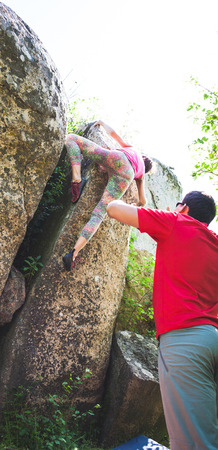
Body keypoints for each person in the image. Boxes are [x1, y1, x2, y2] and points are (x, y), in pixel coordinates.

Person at [106, 190, 218, 450]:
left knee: (194, 442)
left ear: (185, 208)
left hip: (185, 344)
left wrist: (172, 214)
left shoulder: (176, 221)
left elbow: (114, 209)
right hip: (212, 336)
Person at [62, 120, 153, 271]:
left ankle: (77, 179)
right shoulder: (141, 174)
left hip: (117, 158)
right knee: (99, 213)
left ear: (143, 158)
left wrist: (103, 124)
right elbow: (143, 201)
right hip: (126, 176)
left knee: (71, 138)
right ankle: (73, 253)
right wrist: (137, 205)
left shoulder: (133, 149)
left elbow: (114, 135)